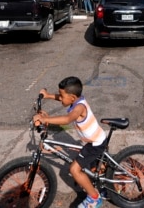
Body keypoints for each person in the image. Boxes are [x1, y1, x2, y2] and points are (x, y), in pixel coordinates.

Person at [33, 77, 106, 208]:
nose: (60, 98)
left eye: (61, 95)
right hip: (93, 139)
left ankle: (95, 198)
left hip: (95, 143)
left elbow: (67, 119)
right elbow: (62, 98)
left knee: (74, 169)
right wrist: (47, 95)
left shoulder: (79, 108)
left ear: (72, 97)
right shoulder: (76, 99)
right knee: (92, 167)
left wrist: (45, 119)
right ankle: (99, 175)